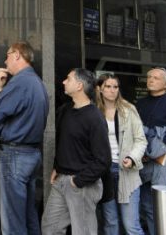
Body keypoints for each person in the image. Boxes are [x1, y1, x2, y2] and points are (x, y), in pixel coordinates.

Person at [0, 42, 49, 235]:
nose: (5, 60)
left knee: (13, 221)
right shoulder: (38, 83)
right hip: (32, 154)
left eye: (7, 55)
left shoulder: (20, 82)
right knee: (28, 216)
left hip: (15, 155)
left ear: (18, 55)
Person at [41, 69, 110, 235]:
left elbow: (103, 160)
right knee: (50, 228)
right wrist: (57, 167)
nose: (64, 82)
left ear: (79, 85)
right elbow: (64, 142)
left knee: (84, 232)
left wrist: (78, 181)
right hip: (61, 180)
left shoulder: (95, 118)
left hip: (82, 184)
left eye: (68, 78)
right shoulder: (66, 110)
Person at [95, 73, 146, 235]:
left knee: (131, 225)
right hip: (104, 172)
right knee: (110, 223)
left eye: (115, 87)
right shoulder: (94, 111)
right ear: (100, 89)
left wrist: (132, 157)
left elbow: (141, 140)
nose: (112, 90)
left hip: (126, 171)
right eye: (108, 87)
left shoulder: (128, 109)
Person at [135, 67, 166, 235]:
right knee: (147, 205)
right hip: (142, 160)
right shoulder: (140, 103)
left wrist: (151, 153)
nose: (151, 80)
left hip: (162, 160)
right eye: (149, 77)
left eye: (155, 77)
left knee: (163, 205)